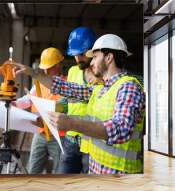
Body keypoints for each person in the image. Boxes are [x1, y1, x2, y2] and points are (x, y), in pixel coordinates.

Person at [13, 34, 145, 174]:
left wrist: (72, 124)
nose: (91, 62)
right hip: (97, 169)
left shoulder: (128, 87)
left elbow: (121, 130)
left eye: (95, 57)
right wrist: (34, 73)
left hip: (118, 176)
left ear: (109, 58)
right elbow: (67, 88)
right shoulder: (100, 88)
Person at [12, 47, 66, 174]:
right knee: (33, 171)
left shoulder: (67, 84)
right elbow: (29, 99)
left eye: (49, 66)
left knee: (60, 172)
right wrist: (15, 104)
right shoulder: (40, 82)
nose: (46, 70)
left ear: (58, 65)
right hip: (40, 134)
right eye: (44, 67)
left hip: (59, 136)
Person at [59, 27, 101, 174]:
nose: (78, 58)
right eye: (75, 54)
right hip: (70, 138)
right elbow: (67, 101)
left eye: (82, 54)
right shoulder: (72, 71)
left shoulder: (101, 74)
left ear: (92, 51)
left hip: (89, 139)